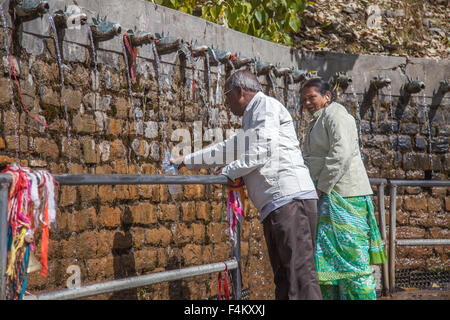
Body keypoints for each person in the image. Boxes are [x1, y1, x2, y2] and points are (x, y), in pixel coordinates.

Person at [175, 70, 322, 300]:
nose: (225, 102)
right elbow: (229, 147)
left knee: (300, 275)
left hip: (291, 200)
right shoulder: (252, 117)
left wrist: (230, 171)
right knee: (284, 278)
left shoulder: (266, 107)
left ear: (239, 91)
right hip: (277, 204)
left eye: (227, 95)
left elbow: (262, 150)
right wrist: (188, 161)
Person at [300, 78, 386, 300]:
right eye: (305, 99)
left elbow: (341, 154)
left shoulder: (336, 115)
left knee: (353, 260)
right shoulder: (319, 120)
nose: (308, 102)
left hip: (345, 196)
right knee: (330, 262)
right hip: (331, 196)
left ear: (327, 96)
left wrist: (320, 188)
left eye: (312, 97)